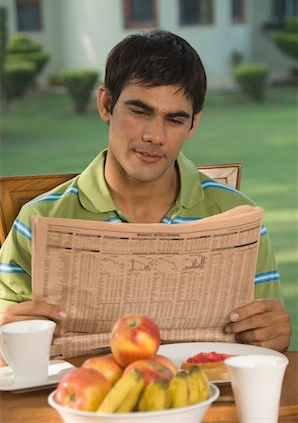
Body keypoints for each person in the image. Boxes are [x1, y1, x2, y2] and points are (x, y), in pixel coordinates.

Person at [0, 30, 291, 355]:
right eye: (140, 111)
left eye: (175, 119)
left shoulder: (239, 219)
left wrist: (272, 337)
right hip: (86, 401)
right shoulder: (38, 219)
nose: (155, 136)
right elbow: (9, 352)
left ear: (193, 125)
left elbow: (264, 347)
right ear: (106, 104)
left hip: (207, 402)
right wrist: (6, 333)